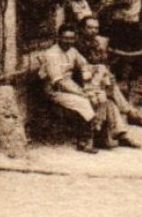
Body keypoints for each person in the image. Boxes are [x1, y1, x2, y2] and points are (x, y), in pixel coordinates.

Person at [38, 23, 136, 153]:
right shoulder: (52, 54)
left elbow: (85, 65)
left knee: (105, 99)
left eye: (71, 38)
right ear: (58, 38)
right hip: (56, 91)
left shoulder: (72, 51)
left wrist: (99, 70)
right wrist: (81, 92)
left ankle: (120, 134)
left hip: (70, 87)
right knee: (84, 102)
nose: (68, 41)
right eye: (65, 38)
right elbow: (59, 82)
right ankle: (84, 141)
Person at [77, 14, 142, 130]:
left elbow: (103, 61)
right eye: (89, 28)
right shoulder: (78, 44)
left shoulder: (96, 42)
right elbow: (84, 65)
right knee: (110, 85)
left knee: (111, 84)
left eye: (96, 28)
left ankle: (126, 117)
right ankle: (130, 113)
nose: (93, 31)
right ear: (81, 29)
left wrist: (107, 72)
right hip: (80, 79)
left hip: (96, 78)